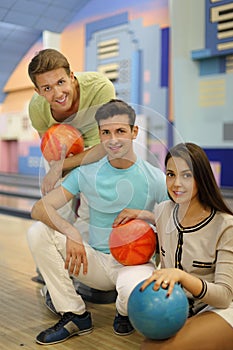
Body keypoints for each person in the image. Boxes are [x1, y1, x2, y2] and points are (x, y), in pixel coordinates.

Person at [27, 99, 168, 345]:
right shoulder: (87, 172)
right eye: (106, 132)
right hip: (97, 263)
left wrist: (145, 215)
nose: (113, 139)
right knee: (39, 231)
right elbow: (40, 208)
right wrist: (70, 231)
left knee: (130, 292)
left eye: (120, 131)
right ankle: (75, 314)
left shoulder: (154, 177)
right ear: (100, 135)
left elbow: (176, 223)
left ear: (134, 132)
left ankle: (123, 313)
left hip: (135, 264)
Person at [117, 142, 233, 350]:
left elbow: (224, 297)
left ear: (202, 178)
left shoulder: (226, 225)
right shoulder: (163, 211)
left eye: (187, 175)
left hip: (218, 309)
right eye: (171, 174)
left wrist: (181, 277)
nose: (176, 183)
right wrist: (140, 215)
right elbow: (169, 225)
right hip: (176, 308)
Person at [28, 48, 116, 195]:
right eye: (47, 88)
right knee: (58, 207)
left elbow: (109, 145)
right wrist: (60, 168)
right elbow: (50, 151)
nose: (58, 94)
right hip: (60, 155)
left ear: (71, 77)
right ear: (38, 91)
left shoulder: (100, 88)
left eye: (61, 82)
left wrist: (61, 165)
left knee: (95, 203)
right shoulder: (37, 108)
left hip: (96, 148)